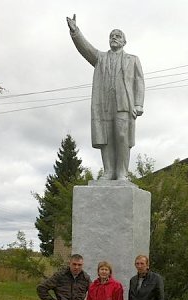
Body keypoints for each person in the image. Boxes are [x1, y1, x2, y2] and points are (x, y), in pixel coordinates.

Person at [66, 14, 145, 181]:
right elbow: (85, 49)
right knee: (106, 138)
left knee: (122, 136)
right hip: (104, 104)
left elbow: (140, 82)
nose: (114, 38)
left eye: (118, 36)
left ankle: (121, 172)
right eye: (112, 36)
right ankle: (109, 171)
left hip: (124, 104)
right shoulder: (100, 58)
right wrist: (75, 31)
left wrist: (138, 104)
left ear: (124, 42)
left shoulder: (133, 60)